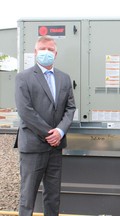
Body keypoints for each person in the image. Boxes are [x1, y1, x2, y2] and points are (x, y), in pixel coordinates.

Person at [15, 35, 76, 216]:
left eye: (50, 49)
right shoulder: (23, 78)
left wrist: (60, 131)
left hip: (55, 148)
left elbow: (70, 108)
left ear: (56, 53)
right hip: (33, 146)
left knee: (53, 196)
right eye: (43, 49)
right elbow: (25, 111)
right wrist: (50, 134)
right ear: (35, 52)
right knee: (27, 197)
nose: (46, 52)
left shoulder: (64, 78)